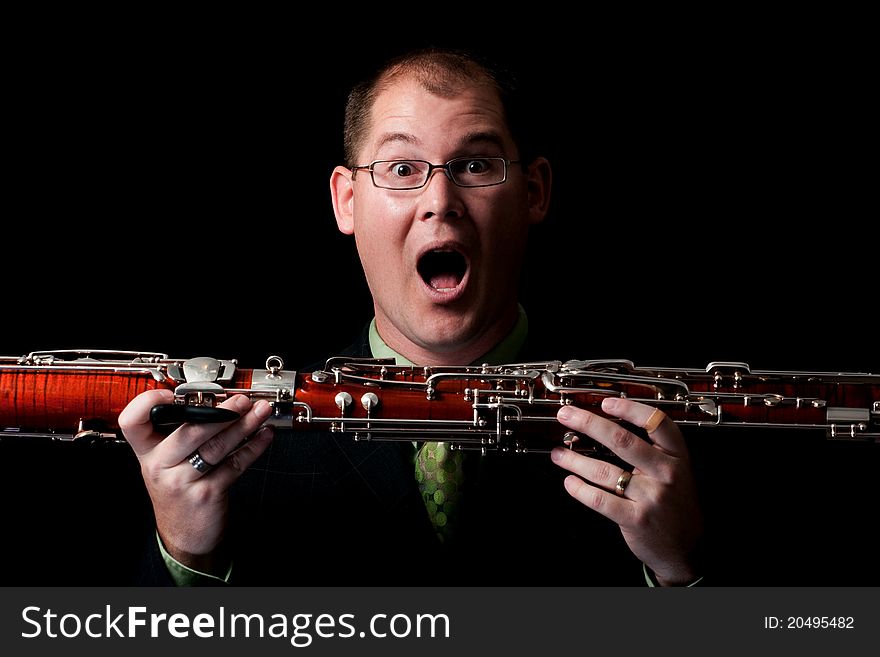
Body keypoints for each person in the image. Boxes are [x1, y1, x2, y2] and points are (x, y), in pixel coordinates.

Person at [119, 47, 704, 586]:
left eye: (475, 166)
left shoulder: (661, 440)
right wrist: (186, 556)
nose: (440, 203)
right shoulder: (233, 452)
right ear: (347, 200)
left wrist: (682, 570)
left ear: (533, 192)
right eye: (402, 169)